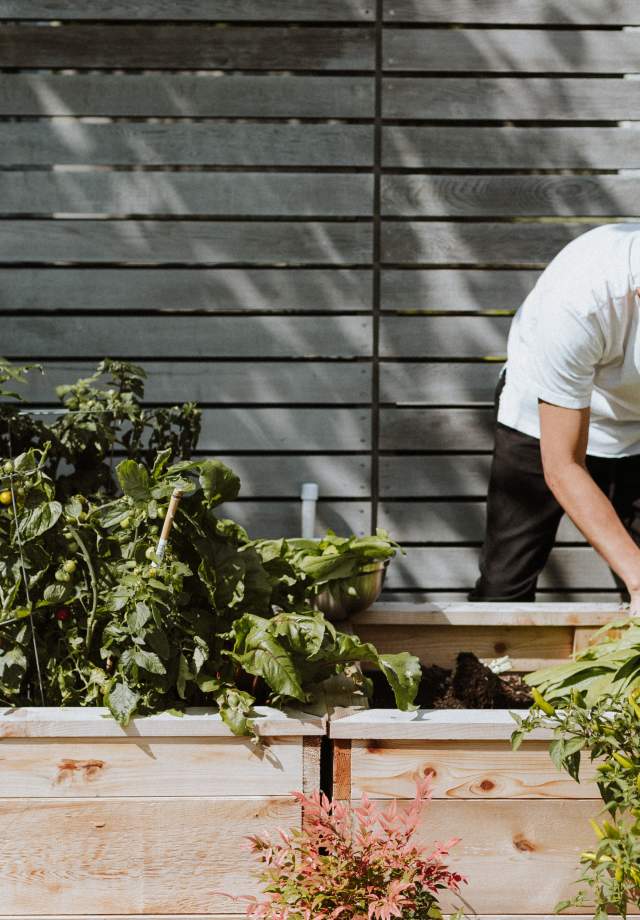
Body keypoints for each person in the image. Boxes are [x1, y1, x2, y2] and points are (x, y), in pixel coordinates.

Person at [469, 223, 640, 611]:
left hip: (636, 428)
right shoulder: (579, 300)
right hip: (542, 421)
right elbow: (563, 466)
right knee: (504, 589)